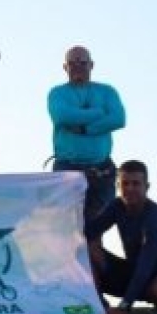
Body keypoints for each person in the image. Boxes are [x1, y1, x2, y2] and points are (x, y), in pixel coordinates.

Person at [85, 160, 157, 314]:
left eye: (136, 184)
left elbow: (147, 262)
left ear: (147, 186)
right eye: (125, 183)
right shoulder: (116, 206)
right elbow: (88, 232)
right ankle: (100, 309)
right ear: (118, 185)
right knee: (87, 249)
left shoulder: (156, 216)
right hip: (131, 271)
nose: (130, 188)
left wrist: (125, 306)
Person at [47, 46, 126, 220]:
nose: (77, 66)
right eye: (72, 63)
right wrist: (98, 113)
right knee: (65, 226)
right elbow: (63, 116)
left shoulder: (107, 91)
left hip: (101, 171)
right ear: (65, 67)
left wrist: (86, 128)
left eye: (82, 62)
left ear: (91, 65)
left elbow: (119, 119)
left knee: (96, 228)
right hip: (67, 168)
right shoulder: (57, 93)